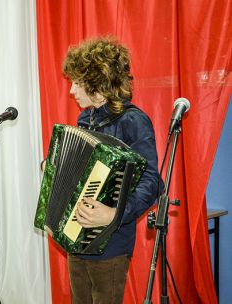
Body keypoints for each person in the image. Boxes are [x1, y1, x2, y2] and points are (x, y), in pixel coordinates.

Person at [61, 37, 162, 303]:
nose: (71, 90)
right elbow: (81, 173)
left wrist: (114, 214)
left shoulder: (132, 120)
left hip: (111, 242)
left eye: (76, 82)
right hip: (77, 234)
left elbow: (151, 182)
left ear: (97, 84)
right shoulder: (86, 118)